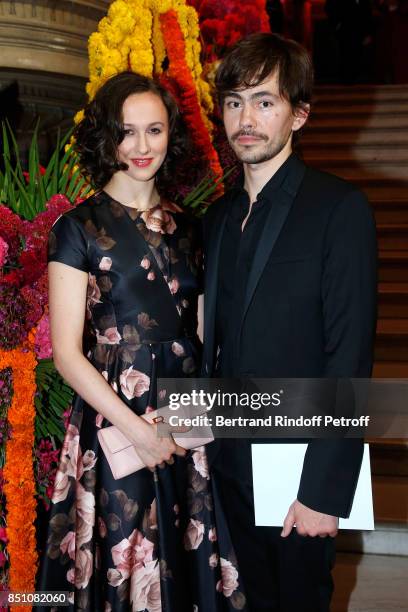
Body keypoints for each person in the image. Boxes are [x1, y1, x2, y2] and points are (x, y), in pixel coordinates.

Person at [36, 71, 246, 612]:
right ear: (106, 137)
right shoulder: (76, 228)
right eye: (126, 132)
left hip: (185, 420)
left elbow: (203, 339)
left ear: (169, 135)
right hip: (114, 422)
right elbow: (66, 353)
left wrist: (189, 421)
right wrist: (138, 431)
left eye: (154, 130)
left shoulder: (193, 226)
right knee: (120, 560)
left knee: (185, 553)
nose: (141, 146)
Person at [202, 33, 377, 611]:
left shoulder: (339, 209)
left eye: (264, 101)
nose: (244, 119)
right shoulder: (219, 217)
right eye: (233, 101)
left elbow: (349, 358)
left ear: (299, 115)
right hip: (228, 463)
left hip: (300, 470)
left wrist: (325, 491)